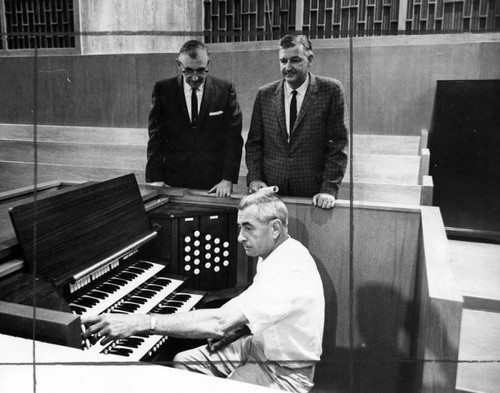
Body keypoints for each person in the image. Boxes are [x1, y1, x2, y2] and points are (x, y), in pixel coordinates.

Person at [82, 191, 325, 393]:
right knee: (184, 363)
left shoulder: (289, 269)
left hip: (284, 372)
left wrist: (139, 322)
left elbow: (219, 322)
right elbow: (266, 310)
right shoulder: (274, 252)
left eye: (248, 228)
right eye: (240, 227)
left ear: (275, 228)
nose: (240, 237)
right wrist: (238, 328)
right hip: (257, 345)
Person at [245, 34, 348, 209]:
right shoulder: (265, 94)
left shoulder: (330, 90)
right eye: (283, 61)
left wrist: (328, 189)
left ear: (310, 59)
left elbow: (338, 146)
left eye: (295, 60)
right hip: (272, 193)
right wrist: (255, 179)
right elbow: (254, 143)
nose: (288, 67)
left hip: (313, 193)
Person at [146, 40, 243, 197]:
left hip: (213, 183)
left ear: (208, 63)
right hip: (173, 180)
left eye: (201, 70)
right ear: (179, 65)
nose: (195, 77)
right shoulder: (163, 90)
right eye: (189, 71)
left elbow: (233, 139)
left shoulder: (224, 90)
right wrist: (155, 178)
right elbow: (155, 138)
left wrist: (227, 179)